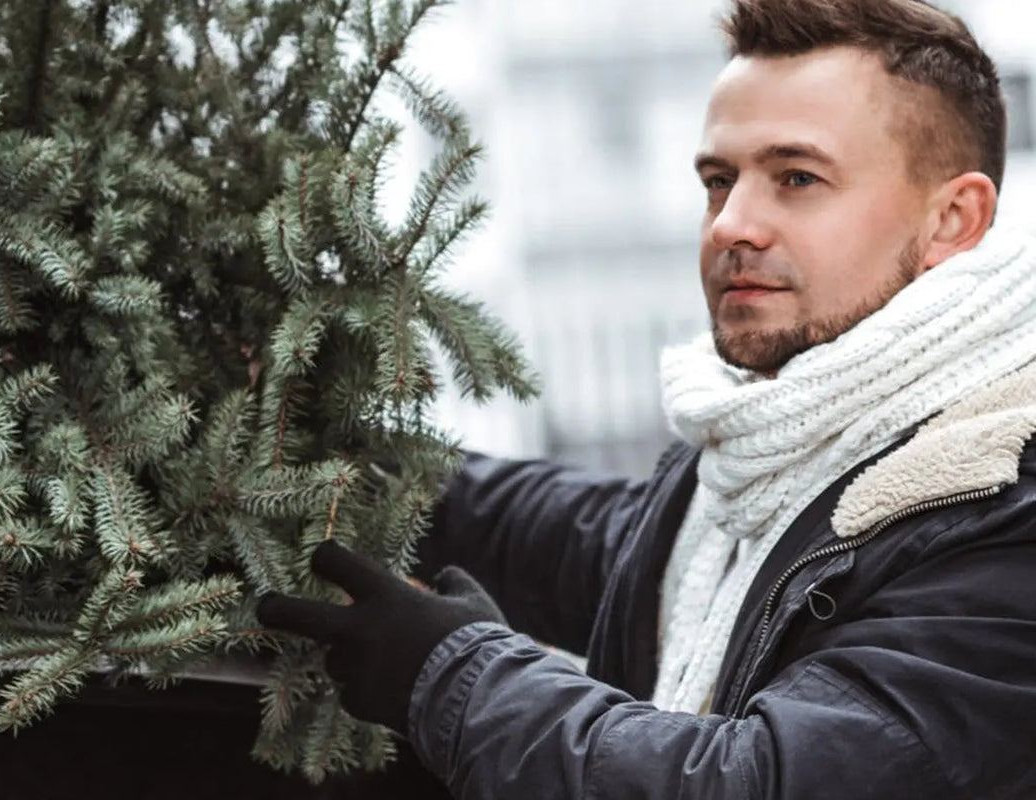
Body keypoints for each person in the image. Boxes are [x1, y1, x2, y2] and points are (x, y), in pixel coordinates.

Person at [255, 0, 1036, 797]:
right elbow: (577, 538)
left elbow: (759, 784)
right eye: (718, 181)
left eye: (797, 178)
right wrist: (308, 455)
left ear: (953, 218)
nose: (732, 224)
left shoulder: (1002, 512)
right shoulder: (769, 459)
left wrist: (450, 673)